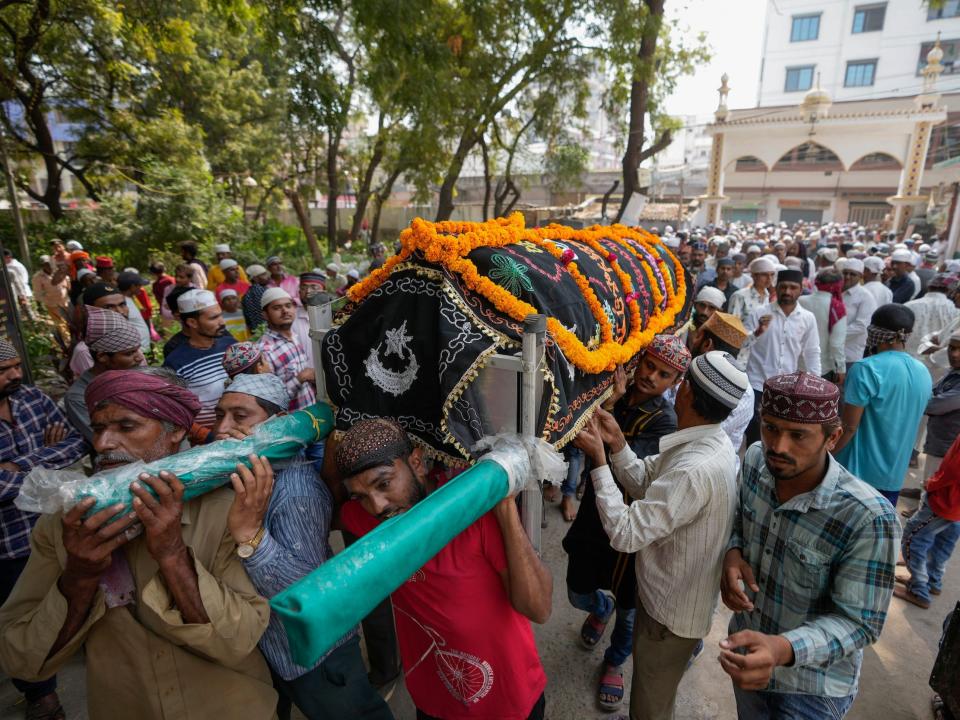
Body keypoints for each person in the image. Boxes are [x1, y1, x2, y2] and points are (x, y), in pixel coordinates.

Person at [0, 369, 277, 719]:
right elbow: (21, 660)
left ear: (175, 431)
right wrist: (81, 575)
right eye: (99, 428)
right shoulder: (62, 525)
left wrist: (173, 554)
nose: (102, 445)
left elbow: (238, 641)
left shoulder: (226, 512)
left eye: (127, 427)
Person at [336, 418, 550, 720]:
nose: (377, 506)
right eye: (360, 496)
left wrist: (504, 508)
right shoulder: (364, 519)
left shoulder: (474, 515)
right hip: (434, 700)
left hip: (509, 697)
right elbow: (341, 511)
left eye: (383, 484)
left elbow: (538, 608)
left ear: (418, 462)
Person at [574, 351, 749, 720]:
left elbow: (624, 533)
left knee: (650, 705)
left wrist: (599, 460)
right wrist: (619, 444)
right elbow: (645, 481)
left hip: (670, 616)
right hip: (669, 603)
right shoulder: (702, 442)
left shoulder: (695, 466)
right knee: (653, 692)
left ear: (681, 389)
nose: (653, 378)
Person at [719, 371, 900, 719]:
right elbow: (740, 518)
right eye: (770, 427)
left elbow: (860, 623)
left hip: (813, 690)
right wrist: (733, 552)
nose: (778, 446)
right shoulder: (757, 460)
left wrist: (782, 648)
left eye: (798, 435)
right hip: (747, 656)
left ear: (832, 437)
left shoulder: (868, 518)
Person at [212, 374, 393, 720]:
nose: (222, 428)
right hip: (277, 650)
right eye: (219, 415)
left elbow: (307, 595)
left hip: (318, 656)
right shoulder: (246, 473)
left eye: (240, 416)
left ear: (277, 424)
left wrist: (251, 535)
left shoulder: (296, 492)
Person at [563, 336, 687, 712]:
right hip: (595, 509)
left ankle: (615, 661)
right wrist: (612, 401)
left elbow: (634, 474)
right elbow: (577, 436)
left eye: (663, 374)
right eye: (649, 366)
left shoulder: (664, 419)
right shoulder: (617, 390)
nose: (651, 377)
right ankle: (600, 608)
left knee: (631, 604)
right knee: (580, 588)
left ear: (673, 382)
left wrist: (608, 431)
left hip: (634, 521)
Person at [0, 338, 85, 720]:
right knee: (21, 618)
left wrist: (20, 464)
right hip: (8, 543)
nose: (15, 375)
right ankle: (40, 693)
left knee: (68, 599)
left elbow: (75, 442)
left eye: (16, 366)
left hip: (52, 529)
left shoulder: (32, 398)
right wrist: (46, 473)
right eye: (4, 371)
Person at [835, 304, 933, 507]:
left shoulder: (865, 369)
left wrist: (826, 453)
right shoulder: (923, 371)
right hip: (893, 477)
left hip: (855, 475)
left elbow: (850, 427)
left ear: (874, 333)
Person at [743, 269, 821, 445]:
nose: (787, 292)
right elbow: (742, 344)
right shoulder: (759, 313)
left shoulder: (807, 318)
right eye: (783, 287)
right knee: (755, 439)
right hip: (757, 385)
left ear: (801, 290)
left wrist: (815, 386)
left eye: (793, 288)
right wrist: (756, 332)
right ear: (776, 288)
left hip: (786, 389)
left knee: (779, 441)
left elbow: (812, 352)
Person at [895, 432, 960, 609]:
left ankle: (919, 589)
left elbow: (954, 470)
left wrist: (932, 483)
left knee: (912, 539)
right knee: (943, 542)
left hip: (945, 500)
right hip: (954, 506)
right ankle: (931, 580)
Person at [64, 307, 144, 442]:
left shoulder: (136, 377)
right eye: (129, 353)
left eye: (137, 350)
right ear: (102, 356)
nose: (139, 358)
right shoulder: (79, 396)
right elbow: (109, 442)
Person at [163, 289, 236, 428]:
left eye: (220, 315)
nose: (222, 322)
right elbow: (175, 410)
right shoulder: (176, 362)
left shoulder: (231, 345)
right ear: (192, 322)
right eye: (213, 318)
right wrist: (204, 436)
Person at [689, 312, 753, 465]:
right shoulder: (692, 368)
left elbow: (701, 433)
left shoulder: (742, 392)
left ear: (707, 344)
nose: (693, 341)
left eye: (697, 336)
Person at [258, 288, 316, 411]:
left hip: (310, 414)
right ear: (265, 314)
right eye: (277, 308)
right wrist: (301, 378)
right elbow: (270, 401)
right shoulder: (265, 351)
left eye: (288, 306)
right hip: (291, 424)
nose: (285, 311)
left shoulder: (294, 336)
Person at [922, 331, 960, 479]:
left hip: (949, 449)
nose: (955, 354)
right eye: (951, 348)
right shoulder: (953, 373)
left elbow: (933, 405)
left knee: (934, 492)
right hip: (940, 444)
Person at [799, 268, 847, 383]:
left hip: (796, 364)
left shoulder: (799, 301)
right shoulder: (836, 307)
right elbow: (836, 343)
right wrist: (841, 368)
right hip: (822, 367)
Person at [840, 258, 878, 369]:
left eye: (852, 274)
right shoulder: (836, 292)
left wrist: (834, 335)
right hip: (830, 353)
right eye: (845, 273)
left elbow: (861, 326)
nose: (847, 277)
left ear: (860, 276)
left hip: (849, 354)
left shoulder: (866, 297)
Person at [31, 255, 70, 339]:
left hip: (66, 302)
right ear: (42, 266)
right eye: (46, 264)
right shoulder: (37, 277)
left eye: (50, 263)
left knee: (70, 322)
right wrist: (44, 302)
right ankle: (68, 341)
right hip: (53, 305)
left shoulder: (58, 271)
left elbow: (67, 282)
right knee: (60, 325)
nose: (49, 266)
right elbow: (37, 294)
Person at [727, 257, 776, 324]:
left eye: (772, 274)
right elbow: (732, 324)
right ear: (754, 276)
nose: (769, 278)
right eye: (764, 275)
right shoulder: (740, 296)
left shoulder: (768, 297)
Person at [293, 272, 327, 355]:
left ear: (323, 291)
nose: (308, 291)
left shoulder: (333, 316)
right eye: (304, 287)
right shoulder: (291, 317)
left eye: (314, 287)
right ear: (299, 292)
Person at [117, 270, 153, 350]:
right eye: (139, 285)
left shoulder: (130, 299)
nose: (141, 288)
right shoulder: (122, 304)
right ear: (132, 286)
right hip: (136, 350)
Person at [243, 264, 271, 332]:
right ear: (255, 278)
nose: (267, 277)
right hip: (269, 330)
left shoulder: (245, 296)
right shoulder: (265, 292)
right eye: (263, 274)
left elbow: (248, 319)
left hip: (256, 332)